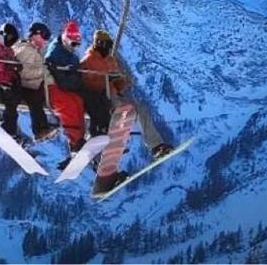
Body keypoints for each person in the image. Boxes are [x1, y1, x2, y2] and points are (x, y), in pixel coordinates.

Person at [86, 29, 175, 197]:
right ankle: (104, 170)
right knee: (119, 117)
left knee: (140, 111)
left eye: (109, 45)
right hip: (100, 98)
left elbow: (116, 80)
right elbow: (87, 81)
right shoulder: (89, 60)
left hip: (111, 95)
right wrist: (108, 81)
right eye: (105, 45)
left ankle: (156, 146)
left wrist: (121, 81)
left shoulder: (108, 60)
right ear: (98, 44)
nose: (107, 48)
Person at [45, 19, 87, 161]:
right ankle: (74, 140)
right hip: (51, 85)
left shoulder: (71, 56)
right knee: (68, 105)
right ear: (66, 39)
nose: (75, 47)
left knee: (78, 102)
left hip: (62, 85)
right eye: (73, 43)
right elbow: (56, 72)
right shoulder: (55, 52)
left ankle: (79, 138)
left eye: (77, 44)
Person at [12, 22, 59, 143]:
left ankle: (42, 128)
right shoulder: (26, 50)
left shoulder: (32, 50)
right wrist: (43, 71)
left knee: (36, 98)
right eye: (44, 36)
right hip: (26, 85)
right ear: (35, 35)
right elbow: (23, 72)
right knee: (35, 99)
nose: (45, 41)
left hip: (32, 85)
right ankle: (40, 130)